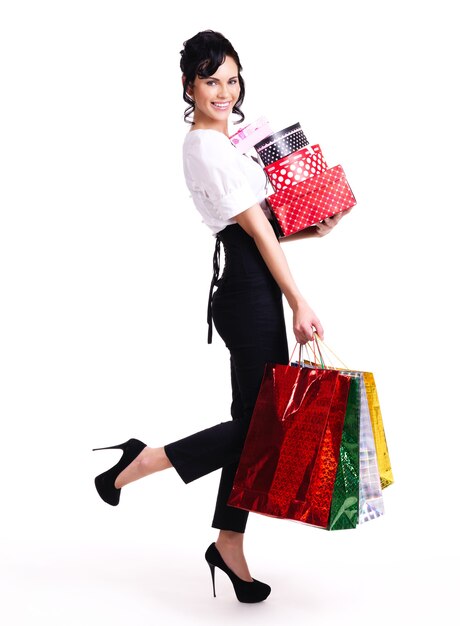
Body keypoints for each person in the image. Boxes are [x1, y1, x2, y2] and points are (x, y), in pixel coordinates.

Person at [93, 30, 349, 603]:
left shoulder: (228, 144)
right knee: (264, 425)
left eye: (232, 80)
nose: (224, 92)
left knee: (254, 424)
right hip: (247, 292)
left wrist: (308, 228)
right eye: (212, 81)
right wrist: (298, 299)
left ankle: (228, 543)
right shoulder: (205, 146)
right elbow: (253, 230)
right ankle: (144, 461)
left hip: (250, 282)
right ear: (190, 85)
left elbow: (261, 227)